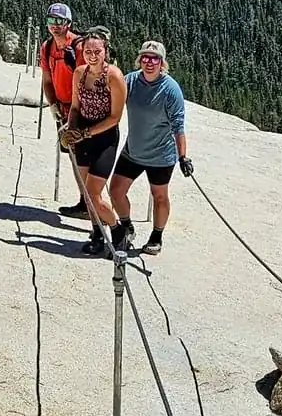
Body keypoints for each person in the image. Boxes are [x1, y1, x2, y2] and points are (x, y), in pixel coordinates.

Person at [109, 39, 190, 256]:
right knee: (115, 191)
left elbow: (178, 125)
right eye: (145, 57)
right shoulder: (131, 81)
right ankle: (126, 226)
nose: (149, 62)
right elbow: (113, 97)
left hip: (161, 155)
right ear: (140, 60)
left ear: (162, 62)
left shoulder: (171, 90)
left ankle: (157, 236)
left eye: (154, 58)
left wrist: (183, 156)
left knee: (159, 195)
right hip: (133, 150)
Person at [62, 27, 127, 257]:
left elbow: (115, 117)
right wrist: (71, 129)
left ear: (105, 51)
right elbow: (75, 107)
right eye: (88, 51)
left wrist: (85, 133)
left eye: (97, 51)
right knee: (86, 192)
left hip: (105, 138)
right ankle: (97, 234)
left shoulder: (115, 77)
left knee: (94, 194)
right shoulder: (79, 73)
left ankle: (119, 230)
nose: (92, 55)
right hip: (83, 136)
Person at [37, 4, 88, 219]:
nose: (55, 26)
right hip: (63, 109)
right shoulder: (47, 47)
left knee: (85, 158)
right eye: (51, 21)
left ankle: (91, 203)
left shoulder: (78, 46)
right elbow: (47, 80)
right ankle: (85, 202)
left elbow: (88, 79)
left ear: (68, 23)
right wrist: (53, 106)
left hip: (82, 109)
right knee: (74, 156)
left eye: (59, 21)